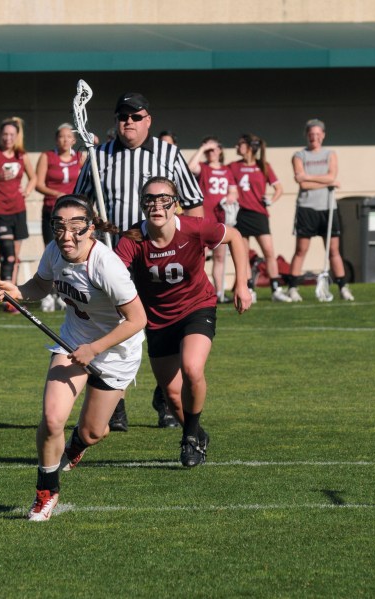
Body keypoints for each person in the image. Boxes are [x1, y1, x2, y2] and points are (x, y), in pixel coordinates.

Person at [0, 194, 146, 521]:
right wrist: (16, 291)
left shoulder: (106, 265)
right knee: (51, 419)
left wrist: (95, 349)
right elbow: (39, 286)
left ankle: (77, 446)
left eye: (76, 227)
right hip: (72, 340)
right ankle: (46, 491)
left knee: (92, 433)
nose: (66, 235)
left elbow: (137, 319)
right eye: (59, 226)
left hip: (116, 352)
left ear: (91, 228)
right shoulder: (53, 252)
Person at [74, 91, 204, 431]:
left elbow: (193, 204)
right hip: (115, 260)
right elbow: (79, 204)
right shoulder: (98, 155)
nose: (127, 122)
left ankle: (165, 395)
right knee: (112, 327)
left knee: (164, 328)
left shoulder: (168, 154)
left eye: (135, 116)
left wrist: (195, 254)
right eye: (122, 117)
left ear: (148, 120)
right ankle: (113, 398)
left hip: (161, 259)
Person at [115, 176, 251, 466]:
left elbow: (235, 236)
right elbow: (113, 274)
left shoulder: (194, 227)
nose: (157, 205)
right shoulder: (132, 239)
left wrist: (242, 283)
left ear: (174, 203)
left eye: (164, 199)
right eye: (150, 199)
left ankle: (189, 439)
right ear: (142, 205)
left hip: (195, 307)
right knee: (172, 395)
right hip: (156, 319)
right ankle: (197, 432)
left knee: (191, 367)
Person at [286, 119, 354, 302]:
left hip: (328, 208)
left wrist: (311, 177)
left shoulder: (330, 154)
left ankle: (342, 287)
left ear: (323, 135)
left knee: (334, 250)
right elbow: (303, 183)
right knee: (301, 249)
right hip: (307, 208)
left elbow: (331, 175)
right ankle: (292, 287)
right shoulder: (299, 155)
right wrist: (326, 181)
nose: (314, 137)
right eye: (311, 134)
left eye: (318, 134)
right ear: (306, 135)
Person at [229, 133, 291, 303]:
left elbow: (279, 188)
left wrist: (272, 199)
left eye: (240, 144)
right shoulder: (233, 166)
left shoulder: (263, 166)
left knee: (269, 252)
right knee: (244, 254)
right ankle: (249, 288)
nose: (237, 147)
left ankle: (276, 289)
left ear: (249, 147)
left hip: (259, 214)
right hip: (241, 215)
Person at [0, 116, 36, 311]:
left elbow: (34, 176)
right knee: (7, 255)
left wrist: (28, 189)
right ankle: (5, 298)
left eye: (11, 135)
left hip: (18, 210)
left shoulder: (22, 155)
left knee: (14, 256)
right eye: (5, 134)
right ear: (0, 135)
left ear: (16, 136)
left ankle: (11, 296)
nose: (8, 138)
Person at [35, 123, 84, 312]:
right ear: (57, 139)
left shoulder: (79, 158)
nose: (66, 140)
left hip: (73, 214)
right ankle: (49, 294)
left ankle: (68, 293)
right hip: (52, 211)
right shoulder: (47, 156)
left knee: (72, 252)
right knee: (53, 251)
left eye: (69, 137)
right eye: (62, 136)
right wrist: (56, 193)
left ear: (74, 140)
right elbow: (39, 183)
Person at [188, 136, 238, 302]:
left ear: (220, 150)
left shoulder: (226, 170)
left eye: (214, 149)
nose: (211, 153)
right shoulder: (203, 167)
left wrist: (231, 196)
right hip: (204, 217)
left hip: (221, 216)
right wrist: (202, 148)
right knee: (200, 255)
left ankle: (219, 292)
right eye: (208, 151)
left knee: (220, 256)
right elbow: (190, 167)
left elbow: (233, 190)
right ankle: (196, 289)